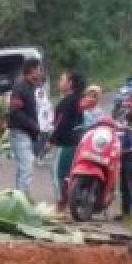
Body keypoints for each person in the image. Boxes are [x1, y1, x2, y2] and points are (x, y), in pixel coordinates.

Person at [49, 71, 86, 209]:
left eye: (62, 79)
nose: (59, 82)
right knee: (67, 173)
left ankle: (61, 204)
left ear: (70, 83)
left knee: (57, 173)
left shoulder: (68, 101)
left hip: (66, 142)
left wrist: (51, 140)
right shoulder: (77, 99)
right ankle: (67, 202)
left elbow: (61, 123)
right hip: (76, 140)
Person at [7, 57, 42, 200]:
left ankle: (20, 198)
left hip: (26, 133)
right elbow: (14, 111)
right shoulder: (21, 87)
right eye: (39, 69)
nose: (41, 72)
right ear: (32, 70)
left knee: (24, 168)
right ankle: (21, 200)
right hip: (20, 133)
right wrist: (32, 124)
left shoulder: (30, 87)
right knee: (26, 167)